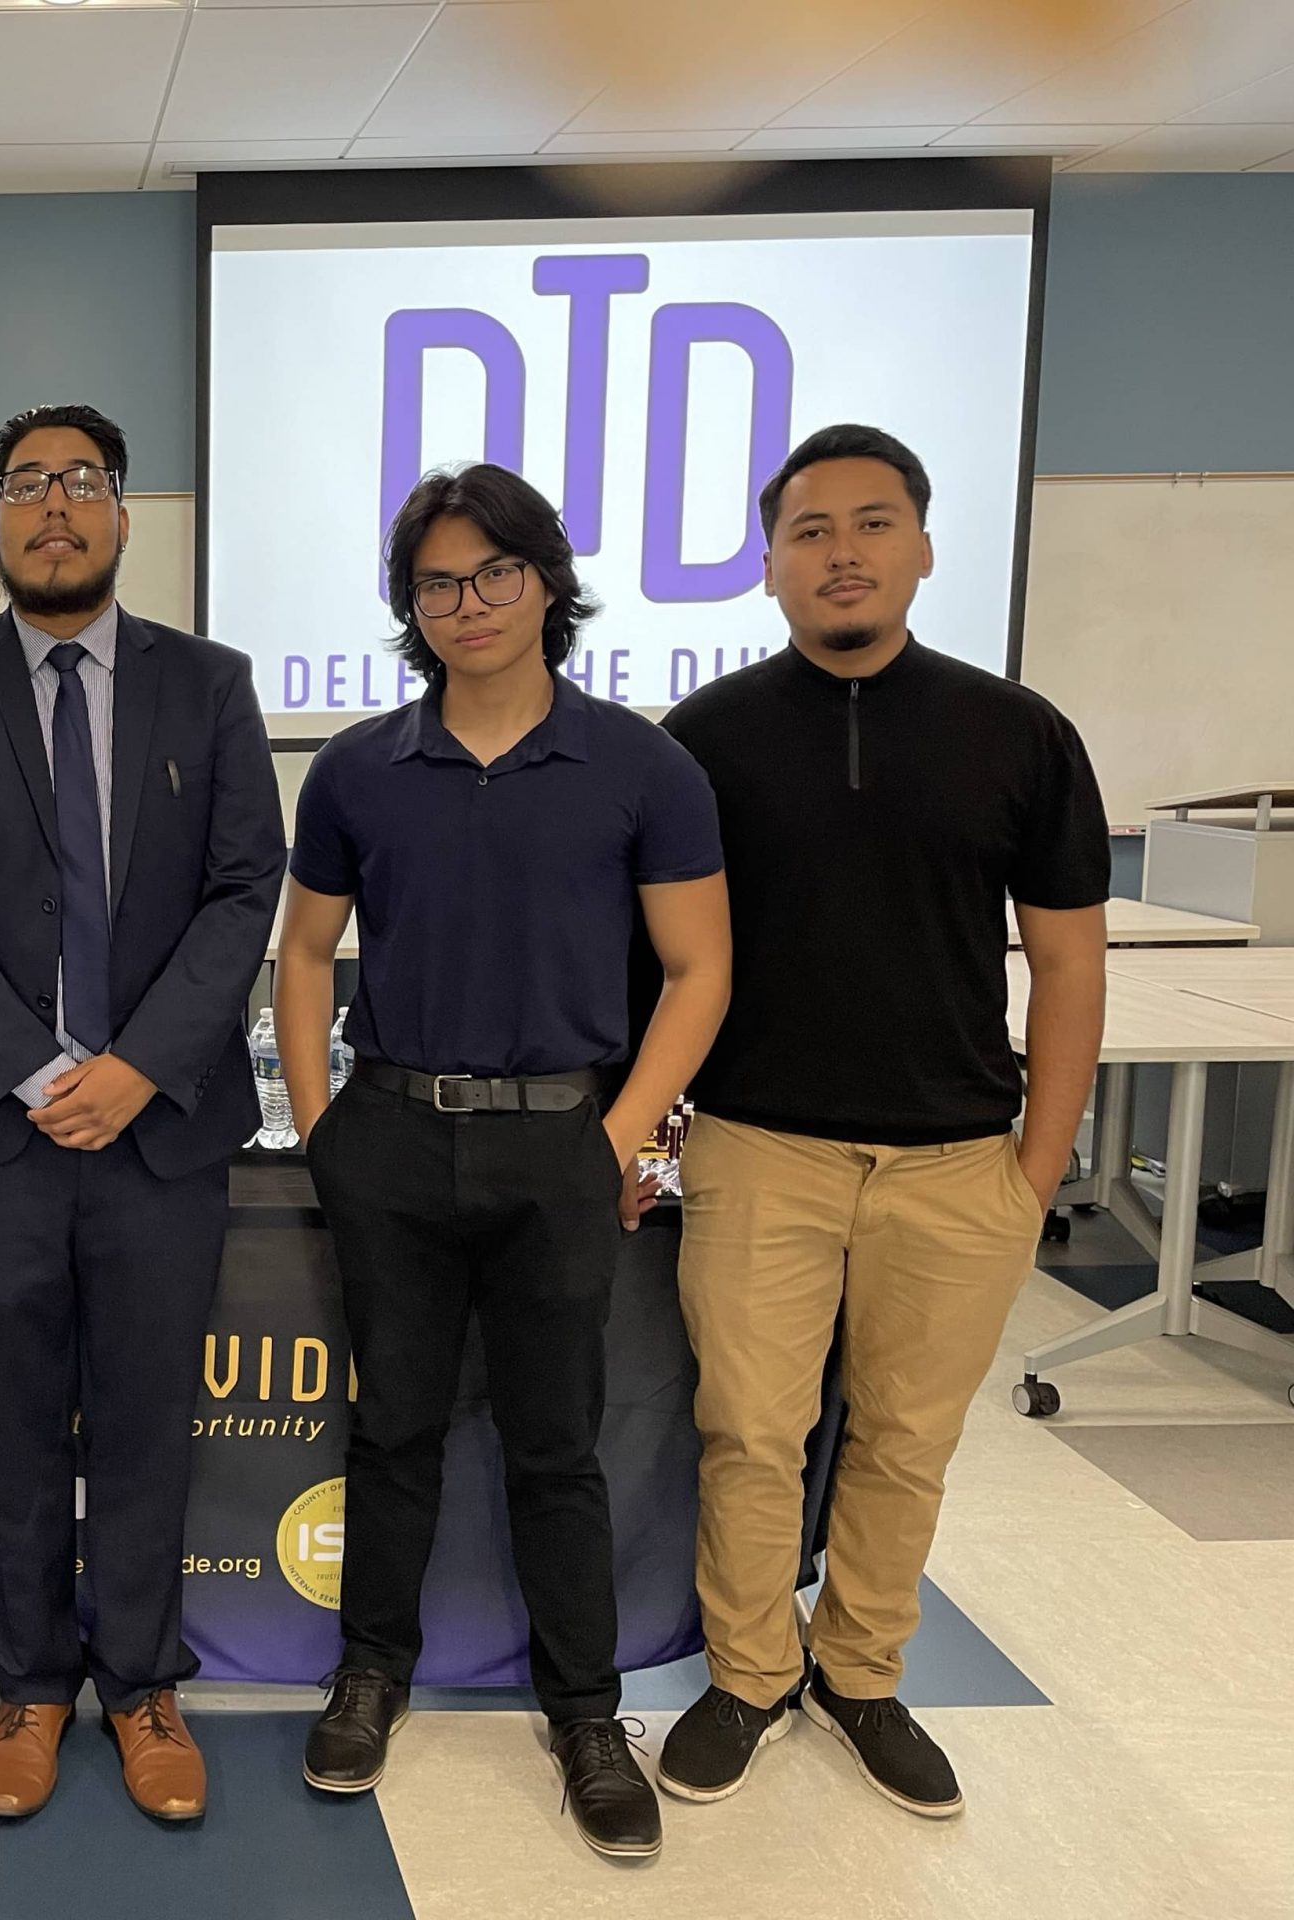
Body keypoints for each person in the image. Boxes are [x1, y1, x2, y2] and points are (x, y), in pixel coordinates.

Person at [275, 463, 731, 1858]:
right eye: (436, 583)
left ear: (545, 581)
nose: (465, 603)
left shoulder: (641, 765)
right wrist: (322, 1128)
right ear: (408, 606)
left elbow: (700, 968)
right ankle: (371, 1676)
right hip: (394, 1137)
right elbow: (299, 952)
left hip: (562, 1142)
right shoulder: (362, 768)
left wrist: (618, 1134)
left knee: (556, 1446)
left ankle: (586, 1716)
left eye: (493, 574)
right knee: (394, 1427)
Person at [653, 425, 1107, 1820]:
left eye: (871, 523)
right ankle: (749, 1675)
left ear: (920, 546)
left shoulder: (1018, 734)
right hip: (758, 1148)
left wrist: (1036, 1167)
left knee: (907, 1439)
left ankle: (860, 1673)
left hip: (960, 1158)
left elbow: (1073, 964)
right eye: (809, 530)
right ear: (770, 563)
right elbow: (665, 956)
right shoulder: (704, 739)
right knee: (749, 1432)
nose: (842, 552)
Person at [0, 404, 284, 1822]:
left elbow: (245, 891)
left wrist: (138, 1065)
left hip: (162, 1130)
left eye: (83, 483)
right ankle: (33, 1686)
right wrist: (39, 1070)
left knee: (152, 1421)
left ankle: (144, 1686)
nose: (56, 507)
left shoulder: (210, 685)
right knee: (19, 1420)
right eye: (28, 485)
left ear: (123, 513)